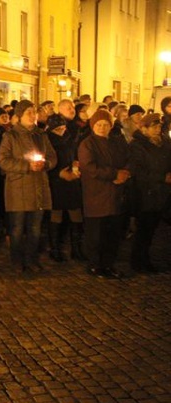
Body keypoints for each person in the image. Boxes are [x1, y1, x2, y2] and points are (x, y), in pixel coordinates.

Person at [0, 100, 57, 273]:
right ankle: (16, 260)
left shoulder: (42, 135)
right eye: (29, 113)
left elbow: (53, 157)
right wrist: (26, 166)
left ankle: (32, 259)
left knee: (35, 227)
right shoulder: (11, 136)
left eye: (34, 112)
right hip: (18, 188)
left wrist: (45, 164)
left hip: (38, 185)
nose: (33, 116)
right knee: (17, 227)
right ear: (19, 116)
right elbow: (3, 160)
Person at [77, 109, 131, 278]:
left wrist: (125, 173)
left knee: (112, 234)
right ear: (93, 125)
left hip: (115, 195)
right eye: (99, 124)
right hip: (96, 195)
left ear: (111, 126)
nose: (102, 128)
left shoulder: (116, 142)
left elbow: (128, 159)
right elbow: (90, 168)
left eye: (105, 125)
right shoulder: (87, 144)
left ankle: (109, 264)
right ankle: (95, 264)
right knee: (96, 234)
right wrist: (114, 174)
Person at [127, 113, 171, 273]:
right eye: (153, 126)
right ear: (144, 128)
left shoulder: (165, 143)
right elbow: (138, 171)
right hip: (146, 194)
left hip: (163, 194)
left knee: (153, 230)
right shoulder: (137, 145)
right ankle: (139, 261)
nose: (157, 129)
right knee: (145, 230)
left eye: (159, 126)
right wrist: (162, 177)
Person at [45, 114, 84, 262]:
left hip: (71, 181)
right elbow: (46, 162)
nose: (61, 131)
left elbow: (74, 155)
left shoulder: (69, 139)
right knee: (57, 215)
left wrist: (75, 164)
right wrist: (59, 173)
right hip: (57, 182)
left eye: (63, 128)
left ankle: (76, 248)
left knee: (76, 214)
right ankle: (55, 249)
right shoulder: (47, 141)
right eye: (58, 129)